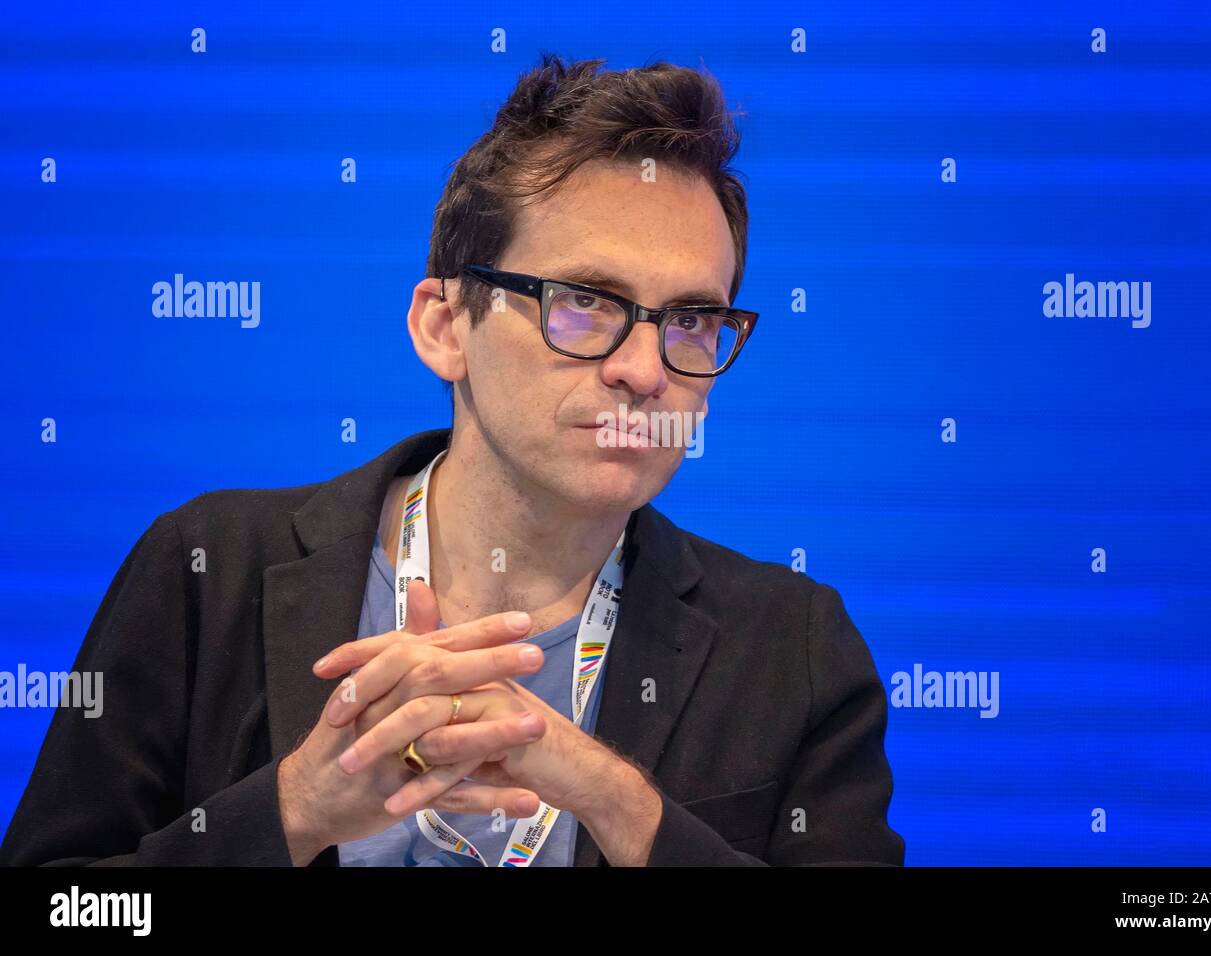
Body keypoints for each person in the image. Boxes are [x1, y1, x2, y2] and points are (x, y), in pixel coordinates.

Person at [0, 53, 903, 867]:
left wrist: (617, 801)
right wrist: (294, 812)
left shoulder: (797, 647)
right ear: (445, 326)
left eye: (691, 321)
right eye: (586, 301)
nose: (642, 371)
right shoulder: (209, 568)